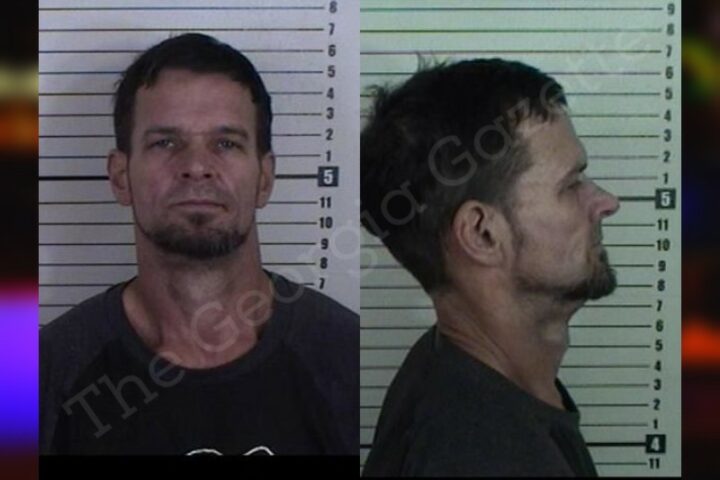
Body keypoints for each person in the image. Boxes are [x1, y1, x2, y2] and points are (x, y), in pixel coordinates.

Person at [40, 33, 359, 456]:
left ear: (264, 179)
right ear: (120, 177)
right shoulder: (44, 376)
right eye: (165, 142)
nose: (195, 166)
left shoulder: (344, 357)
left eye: (226, 143)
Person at [360, 58, 620, 476]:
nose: (607, 202)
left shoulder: (450, 371)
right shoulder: (483, 455)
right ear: (482, 234)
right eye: (571, 185)